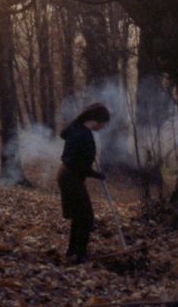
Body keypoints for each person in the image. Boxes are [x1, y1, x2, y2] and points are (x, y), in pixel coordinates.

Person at [57, 103, 110, 264]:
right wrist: (95, 174)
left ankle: (72, 251)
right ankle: (80, 255)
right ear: (97, 120)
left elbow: (65, 137)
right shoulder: (84, 134)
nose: (104, 126)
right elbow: (75, 162)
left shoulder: (76, 128)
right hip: (71, 176)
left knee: (79, 216)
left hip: (67, 174)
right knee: (87, 217)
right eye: (104, 123)